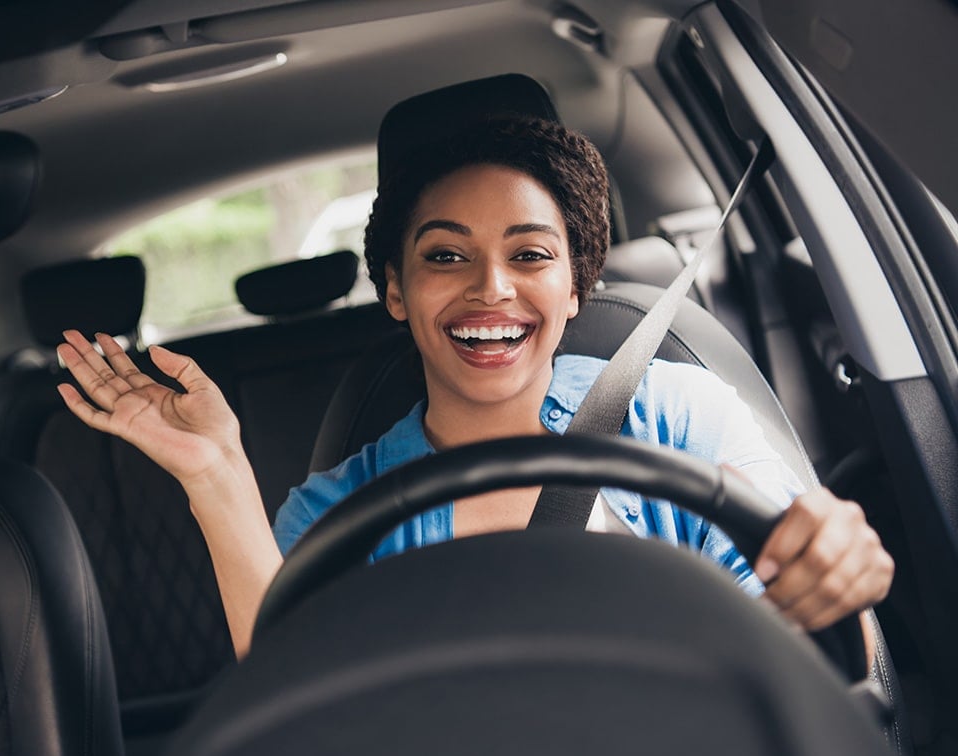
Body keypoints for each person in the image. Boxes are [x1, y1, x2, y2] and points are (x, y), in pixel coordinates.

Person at [56, 115, 893, 658]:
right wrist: (216, 477)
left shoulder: (679, 413)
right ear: (395, 290)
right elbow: (302, 718)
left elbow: (805, 643)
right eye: (446, 256)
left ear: (575, 287)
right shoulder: (334, 511)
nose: (491, 288)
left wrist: (830, 570)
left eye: (530, 255)